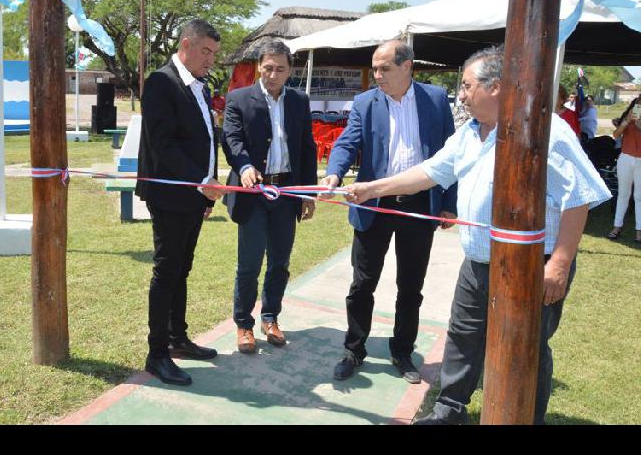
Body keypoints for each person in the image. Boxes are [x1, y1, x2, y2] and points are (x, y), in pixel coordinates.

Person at [343, 45, 611, 425]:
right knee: (463, 340)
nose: (462, 95)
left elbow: (579, 198)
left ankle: (524, 417)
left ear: (496, 87)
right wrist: (372, 189)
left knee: (526, 347)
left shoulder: (545, 131)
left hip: (533, 264)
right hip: (478, 263)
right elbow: (430, 172)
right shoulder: (469, 133)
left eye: (467, 87)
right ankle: (449, 411)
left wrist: (561, 264)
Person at [320, 40, 458, 384]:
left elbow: (451, 153)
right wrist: (335, 172)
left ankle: (401, 351)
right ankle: (354, 349)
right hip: (373, 204)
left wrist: (448, 204)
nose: (377, 75)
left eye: (384, 69)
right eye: (375, 68)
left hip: (418, 206)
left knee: (411, 285)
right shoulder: (366, 102)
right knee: (362, 283)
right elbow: (348, 142)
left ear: (407, 65)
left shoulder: (436, 100)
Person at [135, 19, 227, 386]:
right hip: (171, 195)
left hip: (193, 196)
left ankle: (177, 338)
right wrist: (202, 181)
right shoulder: (161, 82)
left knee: (182, 270)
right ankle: (157, 354)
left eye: (215, 54)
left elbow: (206, 139)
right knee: (167, 270)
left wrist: (206, 188)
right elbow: (164, 145)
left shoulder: (200, 87)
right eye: (206, 51)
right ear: (186, 45)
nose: (211, 60)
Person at [221, 41, 317, 353]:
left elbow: (306, 147)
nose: (273, 74)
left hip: (287, 192)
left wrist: (308, 193)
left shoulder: (300, 101)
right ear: (259, 66)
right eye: (268, 67)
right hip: (253, 194)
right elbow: (231, 138)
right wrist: (245, 164)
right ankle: (244, 325)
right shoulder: (239, 98)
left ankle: (270, 317)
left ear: (290, 70)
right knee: (249, 264)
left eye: (280, 69)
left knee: (280, 261)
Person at [607, 96, 641, 243]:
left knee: (639, 196)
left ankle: (639, 231)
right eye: (638, 103)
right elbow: (615, 135)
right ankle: (616, 227)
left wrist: (638, 123)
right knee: (623, 195)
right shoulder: (628, 117)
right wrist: (626, 121)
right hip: (625, 158)